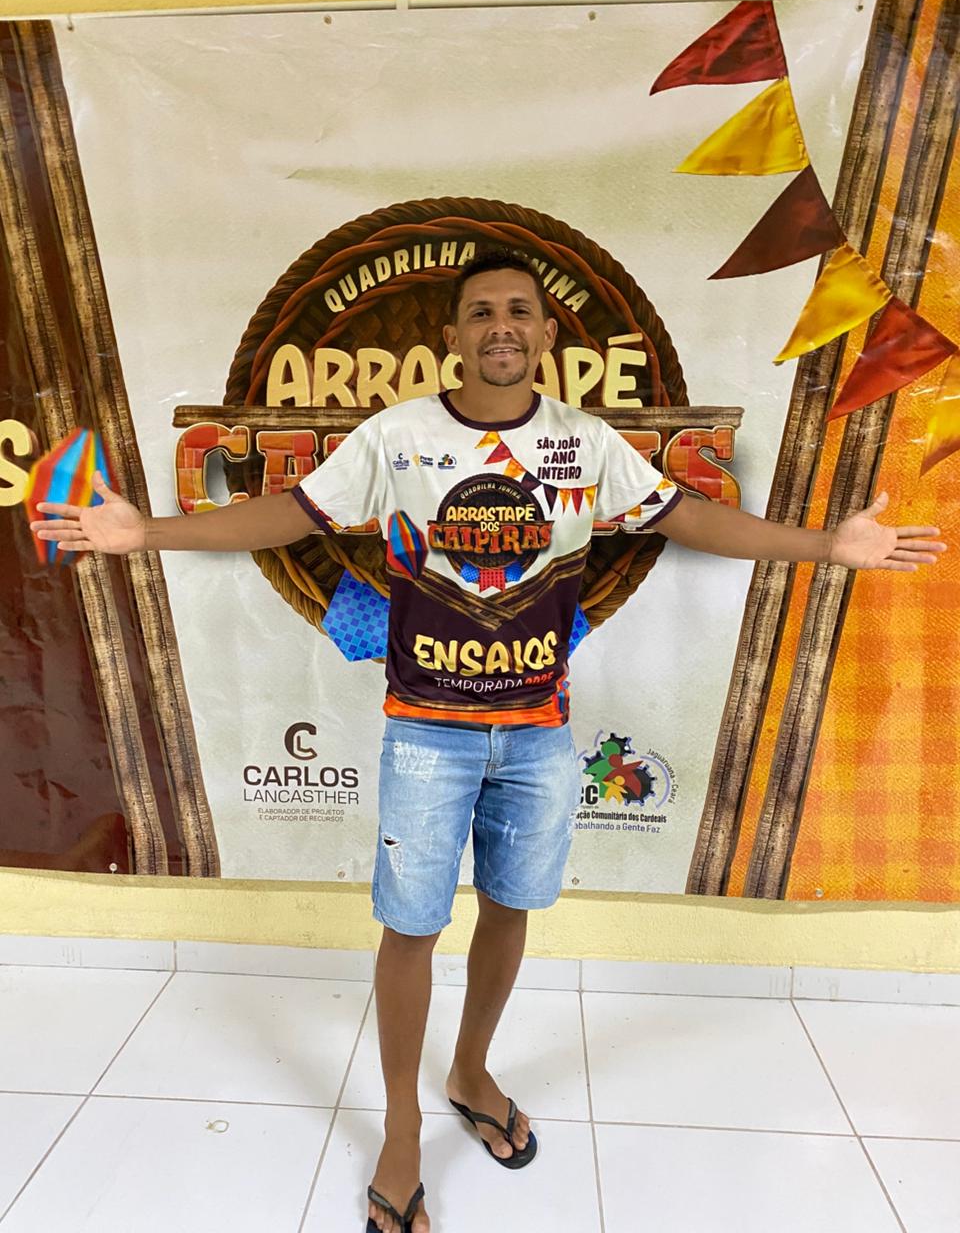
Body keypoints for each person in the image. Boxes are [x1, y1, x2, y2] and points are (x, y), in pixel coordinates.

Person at [33, 248, 945, 1233]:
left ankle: (470, 1070)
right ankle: (400, 1131)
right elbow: (284, 516)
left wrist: (828, 546)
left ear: (547, 334)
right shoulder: (398, 436)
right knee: (412, 927)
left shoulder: (586, 445)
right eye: (480, 312)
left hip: (540, 737)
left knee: (511, 909)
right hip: (428, 733)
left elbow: (693, 518)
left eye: (519, 309)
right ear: (453, 336)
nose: (501, 324)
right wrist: (146, 533)